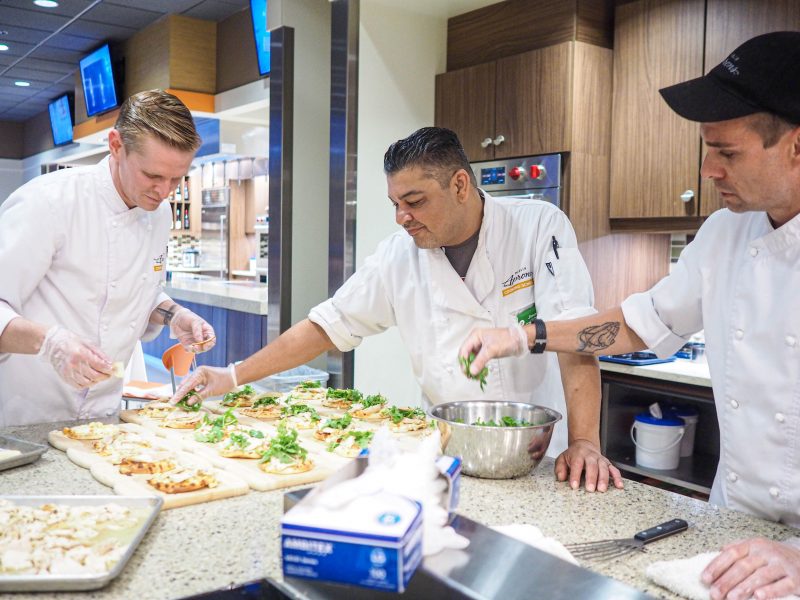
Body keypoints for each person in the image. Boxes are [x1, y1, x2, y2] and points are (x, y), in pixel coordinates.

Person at [459, 31, 800, 600]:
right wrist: (524, 336)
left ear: (795, 145)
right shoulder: (723, 234)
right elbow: (639, 324)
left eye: (728, 152)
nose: (709, 169)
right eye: (706, 148)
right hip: (735, 532)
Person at [173, 126, 623, 493]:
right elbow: (326, 325)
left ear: (460, 185)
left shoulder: (538, 227)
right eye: (395, 204)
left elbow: (575, 336)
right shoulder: (398, 256)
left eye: (415, 202)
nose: (401, 217)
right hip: (444, 454)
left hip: (540, 459)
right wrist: (231, 377)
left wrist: (586, 441)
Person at [0, 90, 215, 427]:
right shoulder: (49, 201)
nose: (164, 192)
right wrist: (51, 343)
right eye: (153, 176)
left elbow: (134, 290)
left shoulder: (158, 216)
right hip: (24, 416)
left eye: (177, 179)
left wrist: (173, 314)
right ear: (116, 145)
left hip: (103, 418)